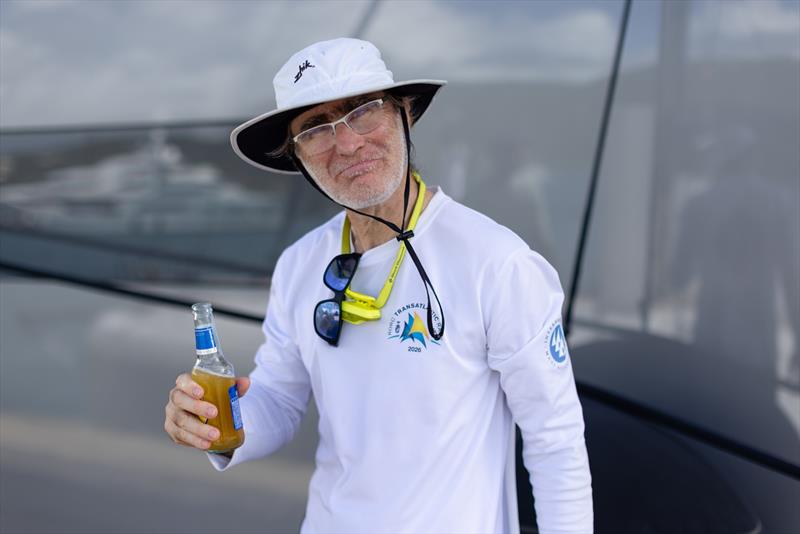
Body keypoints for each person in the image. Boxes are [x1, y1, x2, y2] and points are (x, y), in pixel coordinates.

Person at [164, 38, 593, 533]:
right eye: (314, 129)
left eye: (362, 111)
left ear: (404, 116)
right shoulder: (299, 263)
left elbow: (554, 439)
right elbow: (280, 401)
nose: (346, 144)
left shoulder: (497, 262)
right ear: (297, 156)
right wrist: (218, 426)